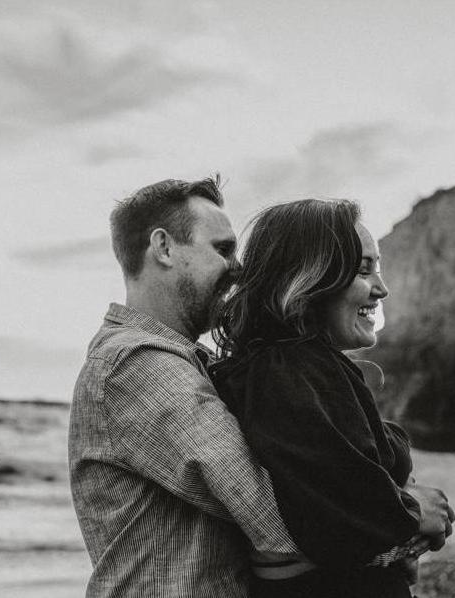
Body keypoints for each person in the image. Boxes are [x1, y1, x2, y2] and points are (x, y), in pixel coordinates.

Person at [210, 198, 455, 598]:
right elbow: (335, 507)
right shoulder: (285, 371)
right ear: (310, 279)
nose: (382, 289)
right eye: (363, 270)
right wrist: (411, 515)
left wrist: (399, 530)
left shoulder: (297, 368)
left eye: (377, 268)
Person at [68, 176, 300, 598]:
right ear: (164, 248)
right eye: (223, 250)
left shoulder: (177, 360)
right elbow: (268, 511)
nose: (238, 269)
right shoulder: (136, 364)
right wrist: (405, 516)